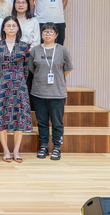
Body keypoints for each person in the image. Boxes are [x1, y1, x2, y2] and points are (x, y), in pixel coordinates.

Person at [29, 22, 73, 161]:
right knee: (42, 122)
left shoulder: (62, 50)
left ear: (56, 35)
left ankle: (56, 147)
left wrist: (57, 78)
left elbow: (67, 69)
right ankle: (43, 146)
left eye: (51, 32)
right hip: (38, 92)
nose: (48, 34)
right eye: (45, 31)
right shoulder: (35, 50)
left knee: (57, 122)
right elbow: (32, 69)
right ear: (41, 34)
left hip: (57, 93)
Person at [0, 16, 32, 163]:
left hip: (19, 84)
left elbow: (26, 67)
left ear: (18, 28)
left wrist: (20, 79)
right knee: (2, 115)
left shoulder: (24, 46)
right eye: (8, 25)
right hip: (1, 83)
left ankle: (16, 150)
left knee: (19, 116)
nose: (11, 28)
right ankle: (6, 150)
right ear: (3, 28)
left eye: (14, 25)